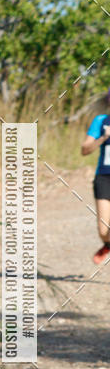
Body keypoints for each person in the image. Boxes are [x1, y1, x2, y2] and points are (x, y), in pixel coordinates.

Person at [81, 88, 110, 264]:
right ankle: (107, 244)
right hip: (104, 177)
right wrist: (104, 137)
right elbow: (84, 150)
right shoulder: (101, 121)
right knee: (103, 230)